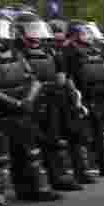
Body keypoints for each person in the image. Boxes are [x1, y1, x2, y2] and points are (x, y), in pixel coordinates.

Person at [0, 8, 61, 206]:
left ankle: (34, 189)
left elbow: (32, 78)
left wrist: (28, 99)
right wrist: (14, 103)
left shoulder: (15, 51)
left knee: (31, 153)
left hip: (20, 109)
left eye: (1, 27)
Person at [12, 11, 86, 192]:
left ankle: (57, 176)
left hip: (52, 99)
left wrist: (73, 95)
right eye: (31, 30)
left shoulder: (50, 50)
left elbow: (63, 75)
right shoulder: (16, 51)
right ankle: (28, 185)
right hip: (28, 100)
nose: (35, 34)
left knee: (53, 140)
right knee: (27, 145)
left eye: (36, 29)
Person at [63, 21, 104, 176]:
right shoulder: (69, 50)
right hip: (85, 96)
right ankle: (83, 169)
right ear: (76, 34)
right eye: (85, 33)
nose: (89, 36)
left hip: (102, 94)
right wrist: (76, 98)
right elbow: (68, 76)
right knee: (84, 134)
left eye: (89, 33)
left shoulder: (95, 49)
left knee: (102, 132)